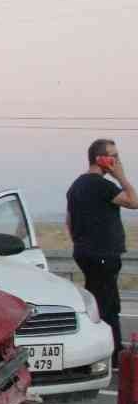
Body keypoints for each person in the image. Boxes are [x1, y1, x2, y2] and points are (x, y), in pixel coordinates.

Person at [67, 138, 137, 355]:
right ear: (101, 159)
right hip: (103, 254)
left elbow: (68, 221)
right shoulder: (102, 185)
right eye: (113, 157)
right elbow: (133, 202)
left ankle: (105, 349)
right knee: (108, 305)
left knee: (98, 301)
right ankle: (112, 353)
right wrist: (121, 177)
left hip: (86, 253)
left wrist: (81, 243)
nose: (117, 161)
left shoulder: (76, 186)